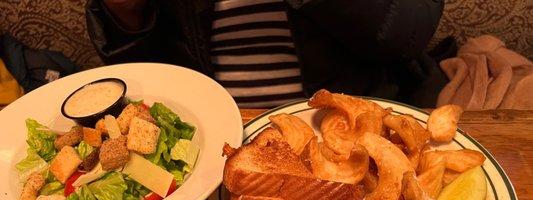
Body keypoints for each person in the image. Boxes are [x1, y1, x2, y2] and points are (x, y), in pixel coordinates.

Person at [86, 0, 447, 108]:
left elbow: (406, 34)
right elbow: (146, 80)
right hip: (213, 143)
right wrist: (128, 15)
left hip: (353, 122)